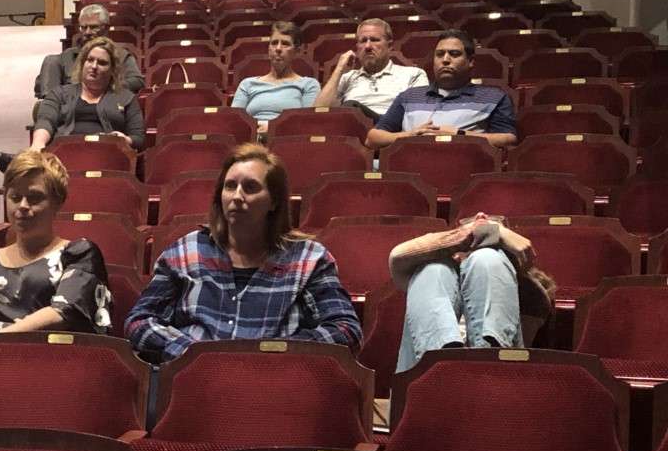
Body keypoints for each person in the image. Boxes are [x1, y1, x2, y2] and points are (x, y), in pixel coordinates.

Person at [126, 144, 361, 362]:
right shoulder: (184, 252)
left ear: (274, 202)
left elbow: (346, 330)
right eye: (230, 186)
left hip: (276, 385)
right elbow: (139, 321)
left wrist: (274, 354)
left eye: (251, 187)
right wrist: (192, 354)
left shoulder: (309, 258)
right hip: (195, 383)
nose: (237, 197)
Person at [0, 151, 111, 351]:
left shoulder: (79, 253)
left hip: (52, 365)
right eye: (15, 197)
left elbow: (64, 311)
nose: (23, 206)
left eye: (35, 198)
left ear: (58, 202)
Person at [389, 213, 554, 374]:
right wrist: (493, 232)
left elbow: (522, 260)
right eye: (470, 221)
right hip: (425, 381)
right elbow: (398, 256)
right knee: (433, 269)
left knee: (487, 259)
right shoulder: (432, 277)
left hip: (497, 379)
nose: (481, 215)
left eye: (494, 221)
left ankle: (483, 364)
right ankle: (439, 367)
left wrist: (497, 244)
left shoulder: (528, 292)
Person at [367, 30, 518, 150]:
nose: (445, 59)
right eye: (439, 54)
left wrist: (459, 135)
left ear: (470, 61)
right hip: (409, 168)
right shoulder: (409, 96)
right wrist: (410, 135)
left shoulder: (494, 97)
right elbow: (373, 138)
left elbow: (509, 140)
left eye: (454, 54)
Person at [31, 36, 145, 150]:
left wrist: (125, 139)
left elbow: (138, 138)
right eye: (90, 60)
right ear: (82, 63)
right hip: (63, 156)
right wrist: (38, 144)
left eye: (102, 63)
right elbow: (45, 121)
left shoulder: (126, 98)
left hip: (108, 155)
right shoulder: (59, 93)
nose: (94, 66)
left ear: (112, 70)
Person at [313, 18, 428, 119]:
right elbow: (318, 112)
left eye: (374, 40)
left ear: (390, 46)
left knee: (352, 107)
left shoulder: (413, 74)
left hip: (392, 130)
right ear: (357, 47)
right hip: (352, 130)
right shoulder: (347, 78)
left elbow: (418, 116)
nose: (367, 46)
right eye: (363, 41)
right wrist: (339, 70)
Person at [35, 4, 144, 100]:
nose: (87, 32)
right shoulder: (66, 56)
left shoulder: (121, 55)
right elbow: (41, 86)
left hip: (105, 104)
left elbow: (137, 82)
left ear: (106, 28)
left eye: (93, 27)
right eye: (83, 27)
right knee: (50, 60)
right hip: (67, 105)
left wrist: (105, 86)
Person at [230, 21, 320, 134]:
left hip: (286, 141)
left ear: (297, 51)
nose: (278, 48)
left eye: (285, 44)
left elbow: (306, 123)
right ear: (268, 49)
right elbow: (234, 121)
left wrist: (271, 127)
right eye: (274, 43)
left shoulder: (308, 84)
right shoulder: (248, 84)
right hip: (251, 141)